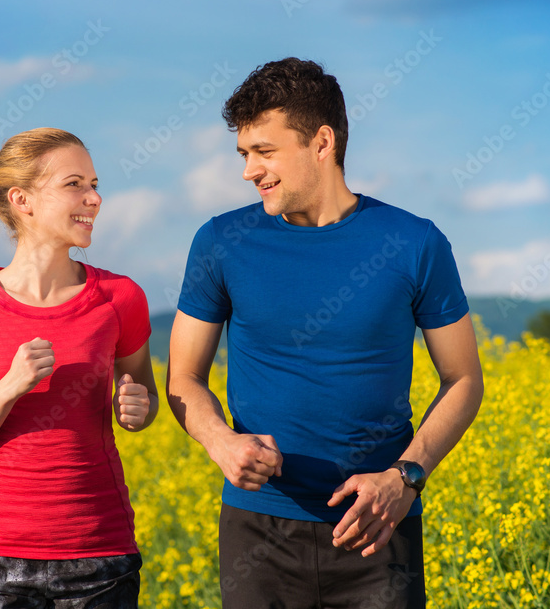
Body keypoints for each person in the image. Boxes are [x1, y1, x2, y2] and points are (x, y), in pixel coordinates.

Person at [166, 58, 484, 608]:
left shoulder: (415, 243)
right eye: (244, 154)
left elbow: (463, 380)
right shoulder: (220, 241)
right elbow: (184, 377)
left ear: (321, 142)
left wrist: (405, 478)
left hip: (379, 531)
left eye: (264, 152)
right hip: (258, 531)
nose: (249, 171)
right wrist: (221, 442)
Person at [0, 127, 158, 608]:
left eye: (95, 184)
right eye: (75, 184)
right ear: (22, 199)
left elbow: (143, 399)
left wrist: (139, 408)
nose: (94, 198)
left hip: (100, 555)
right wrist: (8, 387)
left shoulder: (122, 299)